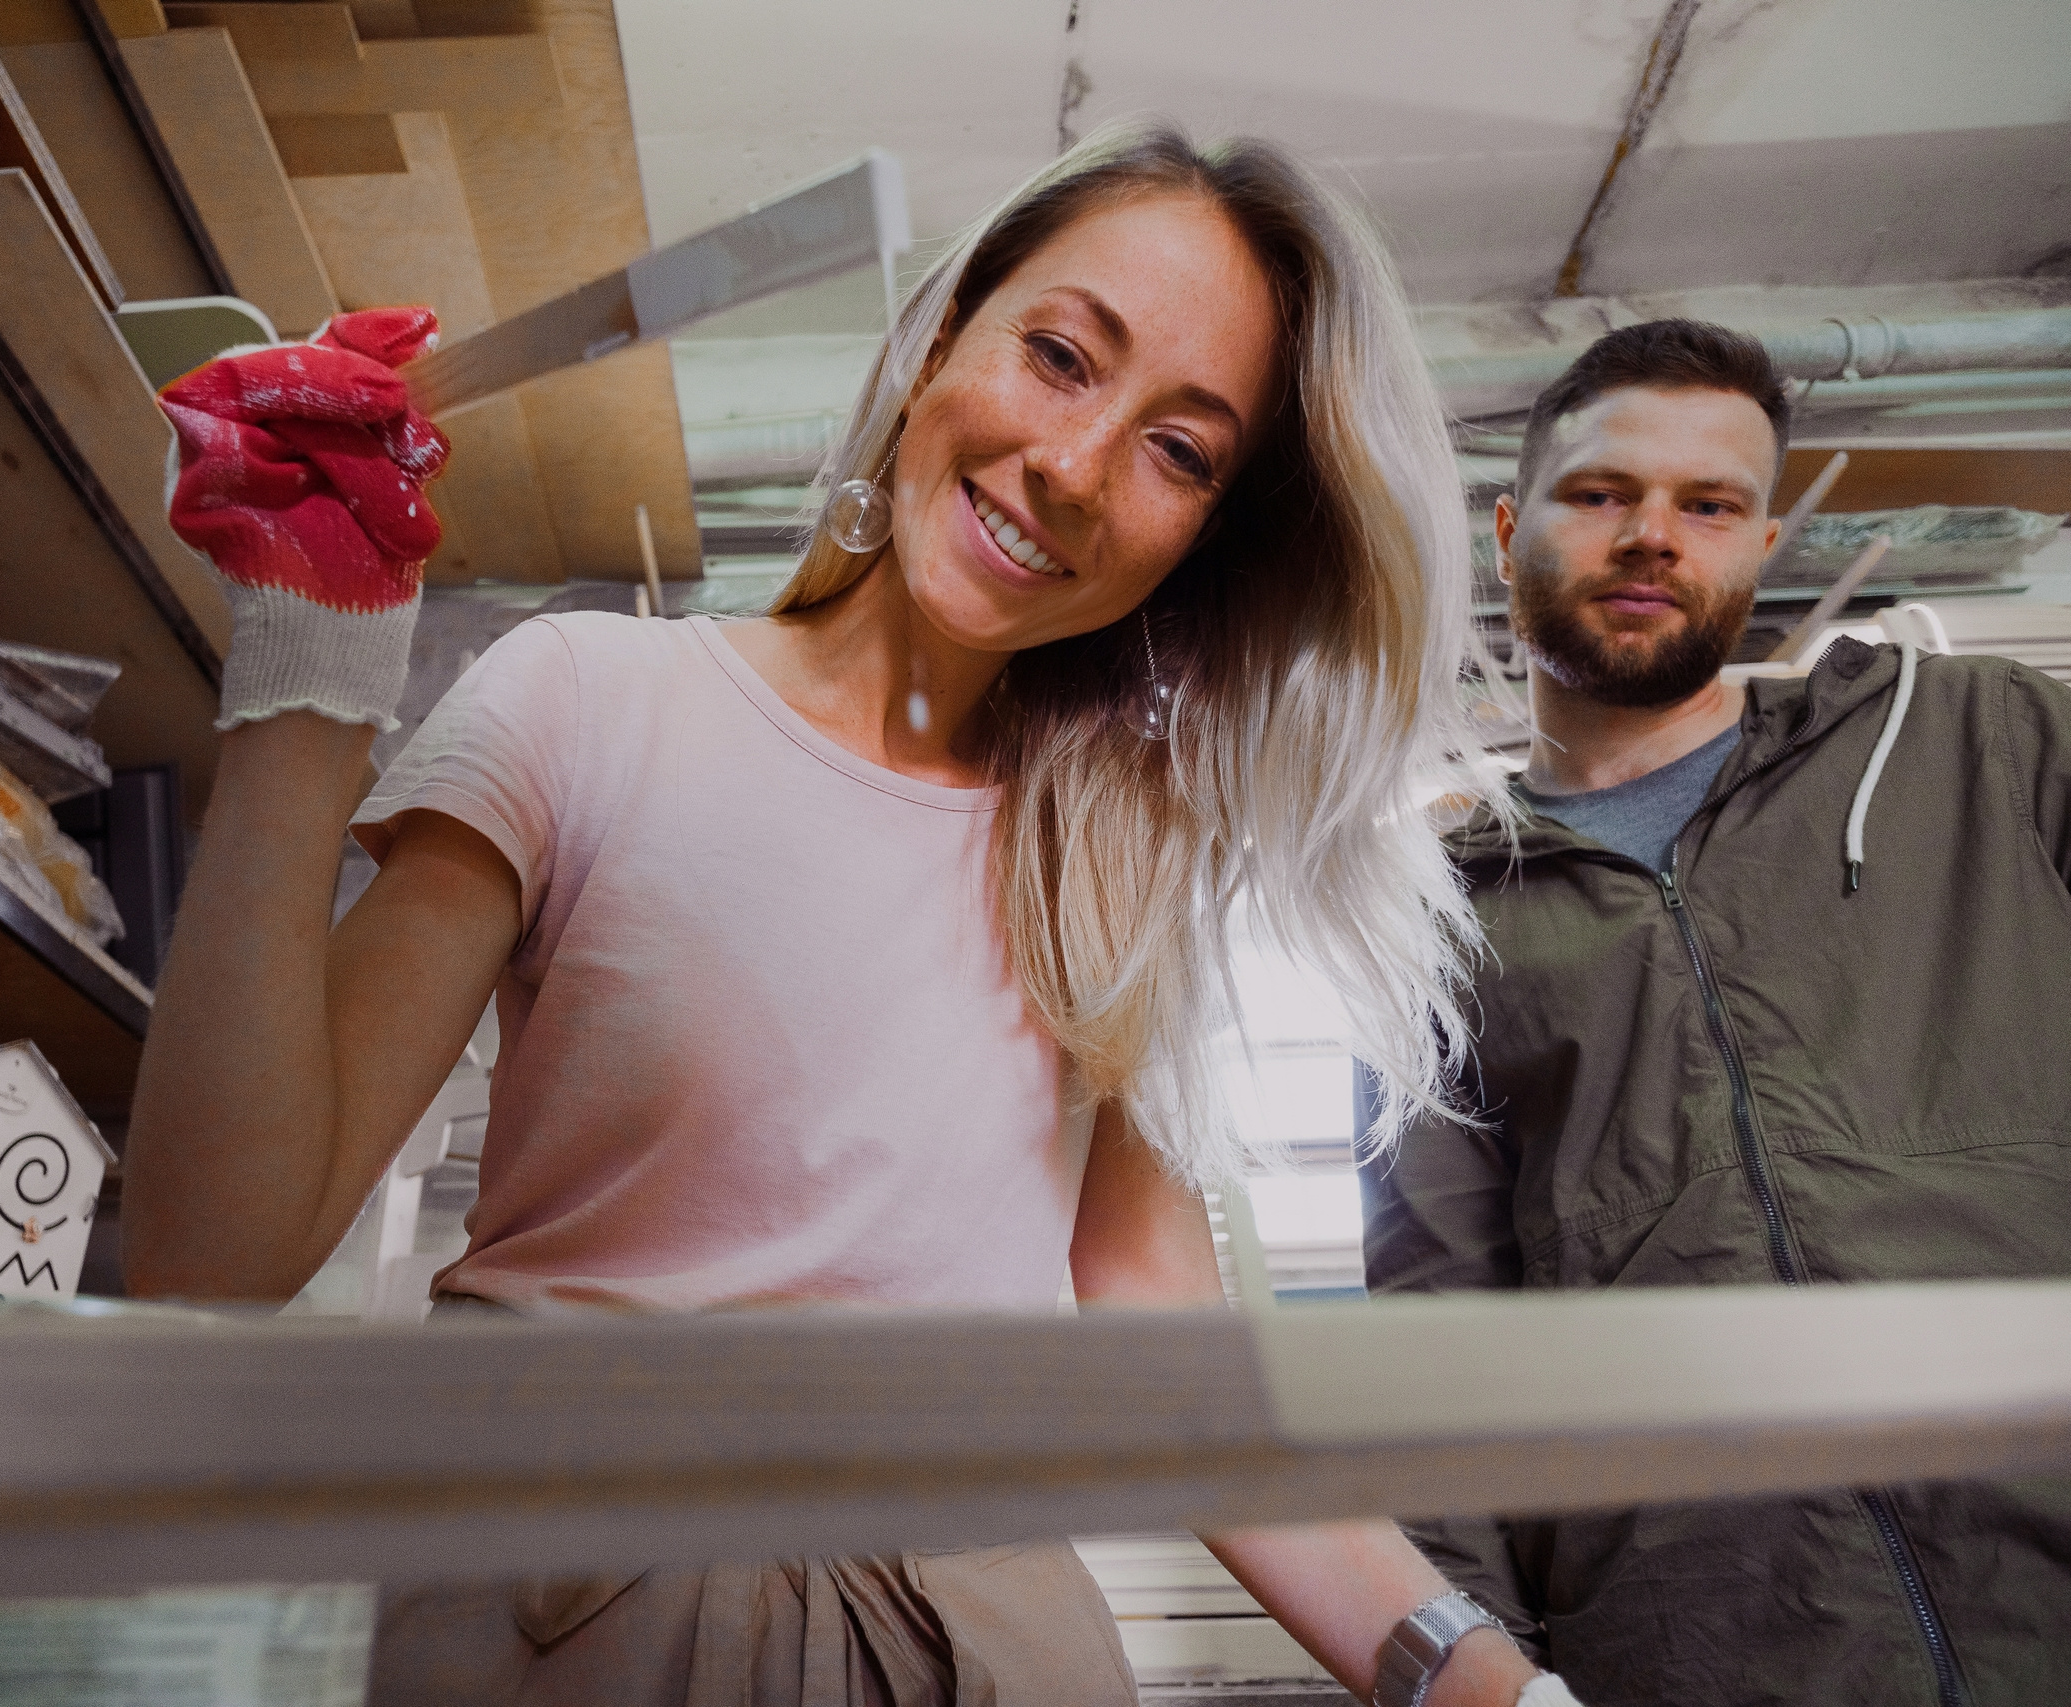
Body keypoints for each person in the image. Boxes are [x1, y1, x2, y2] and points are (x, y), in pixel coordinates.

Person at [130, 122, 1574, 1707]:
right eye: (1059, 354)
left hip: (987, 1647)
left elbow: (1173, 1370)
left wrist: (1491, 1688)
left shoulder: (1123, 859)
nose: (1075, 468)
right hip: (564, 1612)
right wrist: (309, 666)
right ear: (943, 335)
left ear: (1205, 543)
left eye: (1181, 451)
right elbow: (214, 1257)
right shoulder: (587, 694)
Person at [1362, 318, 2071, 1706]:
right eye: (1601, 494)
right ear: (1512, 529)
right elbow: (1439, 1352)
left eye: (1709, 505)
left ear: (1761, 545)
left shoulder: (1980, 745)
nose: (1652, 535)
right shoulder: (1436, 926)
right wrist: (1493, 1684)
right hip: (1713, 1646)